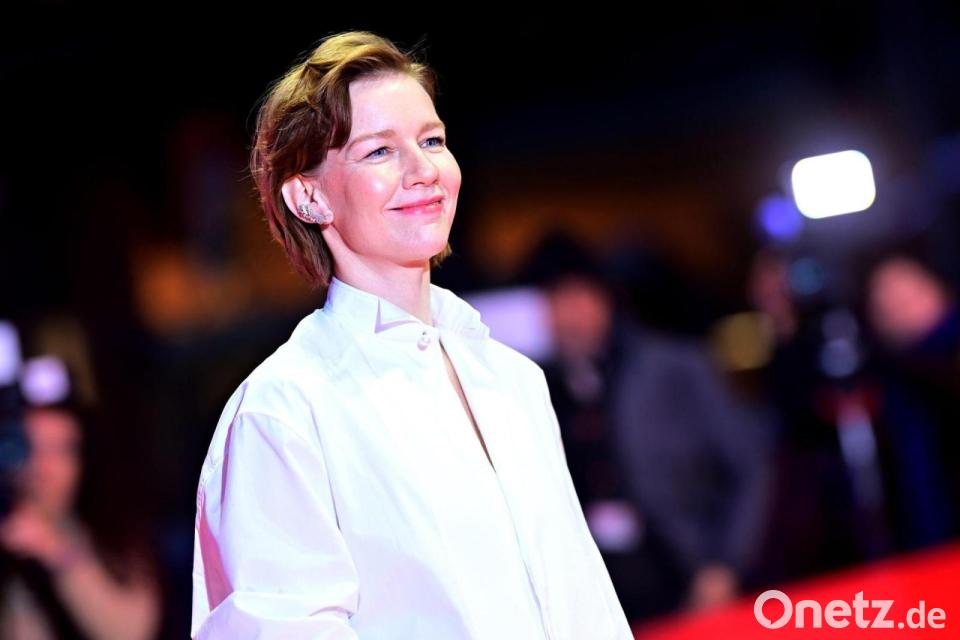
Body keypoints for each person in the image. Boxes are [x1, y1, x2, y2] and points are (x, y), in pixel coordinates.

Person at [190, 31, 633, 639]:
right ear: (308, 195)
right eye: (379, 151)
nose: (424, 171)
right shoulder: (285, 411)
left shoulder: (513, 379)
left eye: (432, 141)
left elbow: (584, 600)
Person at [0, 355, 161, 640]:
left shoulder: (111, 533)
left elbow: (132, 632)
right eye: (30, 447)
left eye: (61, 450)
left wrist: (58, 553)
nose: (43, 467)